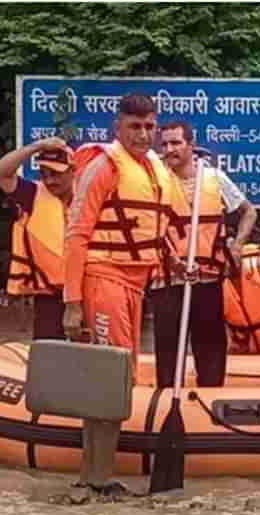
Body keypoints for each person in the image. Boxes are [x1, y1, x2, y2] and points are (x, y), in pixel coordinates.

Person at [64, 93, 175, 381]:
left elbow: (154, 226)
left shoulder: (154, 168)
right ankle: (103, 424)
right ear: (118, 128)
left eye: (149, 127)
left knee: (128, 368)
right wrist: (72, 303)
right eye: (135, 126)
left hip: (137, 283)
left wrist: (171, 258)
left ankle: (120, 422)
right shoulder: (104, 166)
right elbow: (76, 234)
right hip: (104, 277)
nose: (143, 135)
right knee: (113, 372)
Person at [149, 120, 258, 388]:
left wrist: (237, 244)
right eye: (164, 144)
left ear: (191, 145)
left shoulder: (213, 178)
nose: (169, 149)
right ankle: (165, 403)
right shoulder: (155, 180)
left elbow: (249, 212)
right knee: (167, 350)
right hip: (167, 280)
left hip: (207, 279)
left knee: (210, 348)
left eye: (176, 143)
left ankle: (209, 400)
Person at [0, 136, 74, 339]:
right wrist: (37, 146)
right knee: (49, 359)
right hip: (48, 297)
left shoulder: (89, 194)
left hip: (88, 291)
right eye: (44, 174)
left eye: (56, 174)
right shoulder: (31, 194)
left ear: (73, 171)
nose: (49, 180)